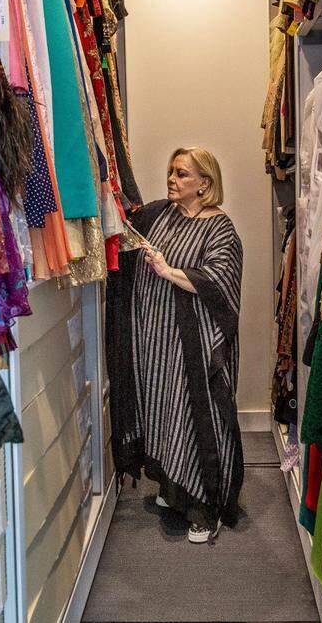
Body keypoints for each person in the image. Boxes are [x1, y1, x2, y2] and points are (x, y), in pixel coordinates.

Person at [105, 146, 245, 543]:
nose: (172, 179)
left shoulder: (220, 228)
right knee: (163, 411)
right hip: (157, 343)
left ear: (205, 183)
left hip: (194, 348)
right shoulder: (157, 215)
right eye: (171, 171)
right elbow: (121, 226)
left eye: (183, 174)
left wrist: (168, 270)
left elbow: (220, 281)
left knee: (195, 416)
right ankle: (174, 489)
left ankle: (206, 508)